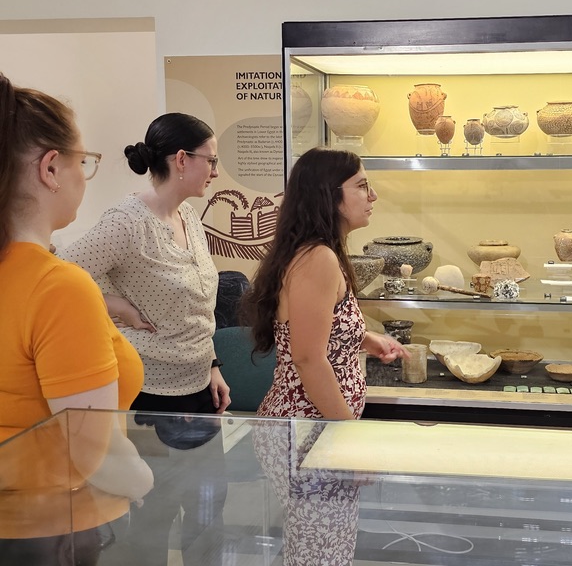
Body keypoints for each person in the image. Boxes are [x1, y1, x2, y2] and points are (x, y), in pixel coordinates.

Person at [60, 112, 230, 564]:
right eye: (211, 161)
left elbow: (197, 301)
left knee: (209, 506)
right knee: (157, 513)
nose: (216, 171)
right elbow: (60, 276)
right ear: (181, 159)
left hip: (199, 387)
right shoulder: (127, 222)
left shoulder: (190, 217)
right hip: (150, 397)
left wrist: (212, 364)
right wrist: (114, 305)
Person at [0, 73, 152, 565]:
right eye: (83, 162)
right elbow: (94, 455)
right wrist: (145, 478)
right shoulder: (59, 286)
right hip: (49, 531)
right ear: (50, 168)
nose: (84, 175)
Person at [241, 147, 407, 566]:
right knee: (322, 555)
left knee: (317, 550)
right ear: (328, 195)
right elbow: (308, 359)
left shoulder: (318, 253)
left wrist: (364, 339)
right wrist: (351, 441)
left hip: (313, 431)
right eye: (362, 186)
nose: (373, 196)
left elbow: (313, 330)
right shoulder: (318, 258)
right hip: (309, 434)